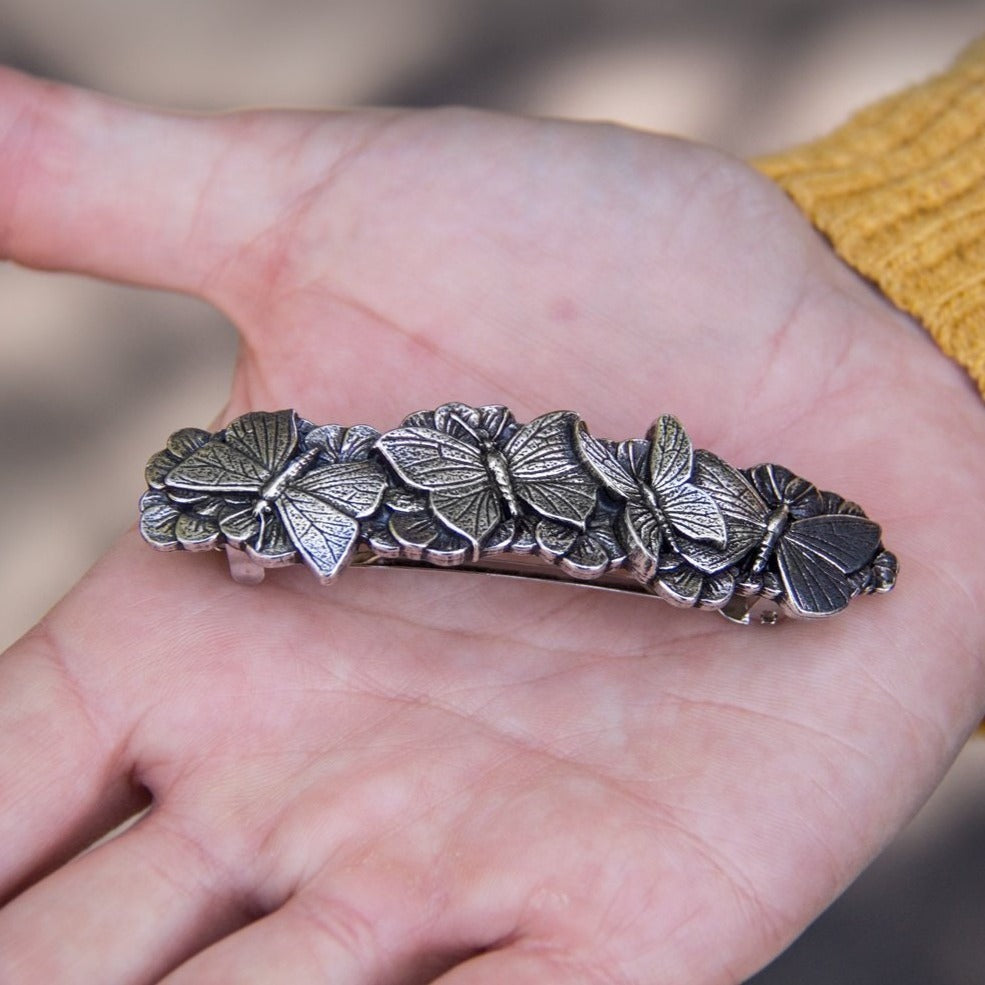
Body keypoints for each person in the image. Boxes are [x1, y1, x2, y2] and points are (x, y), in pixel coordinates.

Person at [0, 41, 982, 985]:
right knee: (489, 490)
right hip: (376, 500)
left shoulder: (711, 533)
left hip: (562, 515)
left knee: (520, 494)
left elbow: (617, 510)